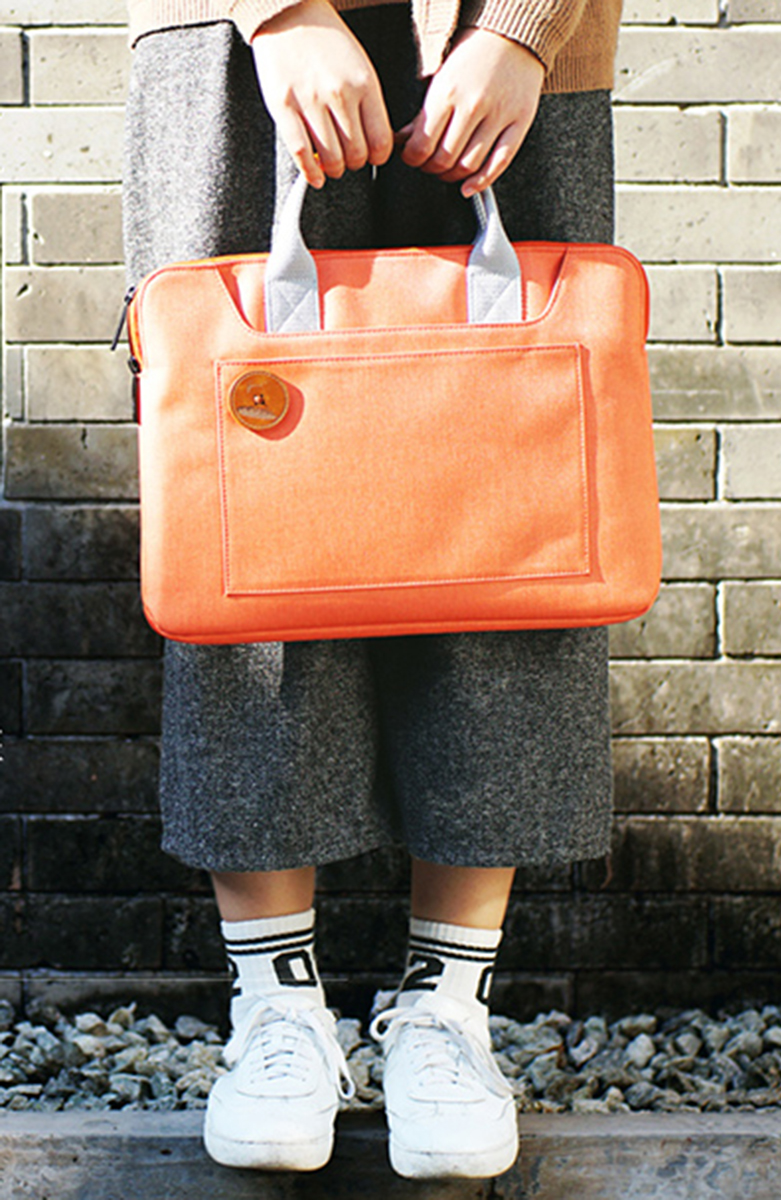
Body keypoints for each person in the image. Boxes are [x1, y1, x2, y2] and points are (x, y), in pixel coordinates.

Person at [123, 0, 623, 1178]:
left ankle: (447, 1012)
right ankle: (275, 1010)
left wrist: (522, 28)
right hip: (230, 42)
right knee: (248, 527)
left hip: (511, 46)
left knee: (512, 509)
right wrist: (281, 13)